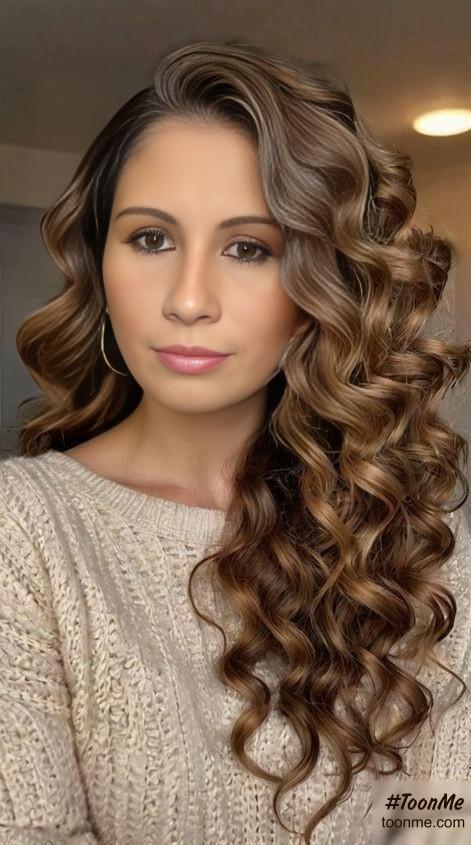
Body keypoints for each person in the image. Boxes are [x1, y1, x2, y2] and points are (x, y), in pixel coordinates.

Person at [0, 38, 470, 845]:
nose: (188, 300)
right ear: (98, 265)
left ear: (318, 286)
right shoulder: (23, 530)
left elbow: (442, 819)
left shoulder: (413, 540)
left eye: (248, 248)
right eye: (150, 238)